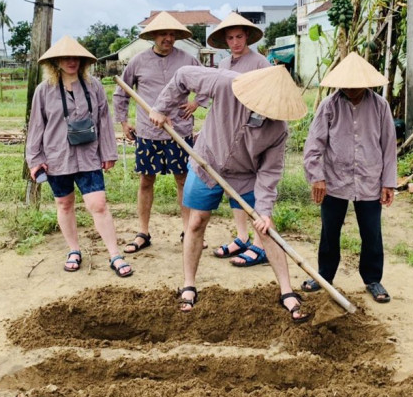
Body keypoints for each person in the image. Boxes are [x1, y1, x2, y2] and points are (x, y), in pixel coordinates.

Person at [149, 64, 312, 322]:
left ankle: (286, 291)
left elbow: (269, 173)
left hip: (246, 175)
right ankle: (189, 285)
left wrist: (266, 212)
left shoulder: (277, 130)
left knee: (265, 228)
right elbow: (181, 76)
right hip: (207, 163)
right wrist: (161, 108)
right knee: (196, 222)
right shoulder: (226, 83)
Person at [26, 35, 132, 278]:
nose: (71, 61)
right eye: (66, 57)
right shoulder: (44, 91)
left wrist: (108, 152)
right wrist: (35, 159)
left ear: (83, 61)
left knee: (99, 204)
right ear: (56, 62)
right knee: (64, 204)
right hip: (56, 157)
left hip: (88, 156)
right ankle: (74, 250)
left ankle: (115, 254)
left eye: (76, 57)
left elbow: (104, 121)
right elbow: (36, 127)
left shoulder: (93, 86)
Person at [302, 52, 397, 303]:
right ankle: (324, 276)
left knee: (372, 233)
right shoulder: (329, 105)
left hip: (369, 180)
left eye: (356, 86)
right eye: (346, 85)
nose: (351, 89)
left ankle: (373, 279)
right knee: (330, 231)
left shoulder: (380, 106)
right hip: (335, 180)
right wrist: (317, 177)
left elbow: (389, 147)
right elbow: (314, 145)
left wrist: (388, 183)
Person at [113, 11, 207, 253]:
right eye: (163, 34)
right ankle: (143, 232)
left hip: (179, 130)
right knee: (146, 181)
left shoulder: (188, 60)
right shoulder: (138, 62)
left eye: (171, 34)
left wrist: (196, 103)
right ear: (153, 36)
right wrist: (124, 123)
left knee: (183, 181)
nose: (167, 38)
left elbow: (209, 83)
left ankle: (188, 231)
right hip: (148, 132)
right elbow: (121, 92)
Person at [207, 12, 272, 266]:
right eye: (231, 38)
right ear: (225, 40)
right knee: (231, 185)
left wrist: (258, 125)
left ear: (247, 37)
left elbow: (269, 99)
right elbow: (216, 99)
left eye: (239, 37)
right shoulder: (222, 66)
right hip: (227, 134)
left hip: (253, 133)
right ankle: (242, 236)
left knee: (255, 189)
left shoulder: (260, 64)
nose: (235, 42)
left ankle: (259, 244)